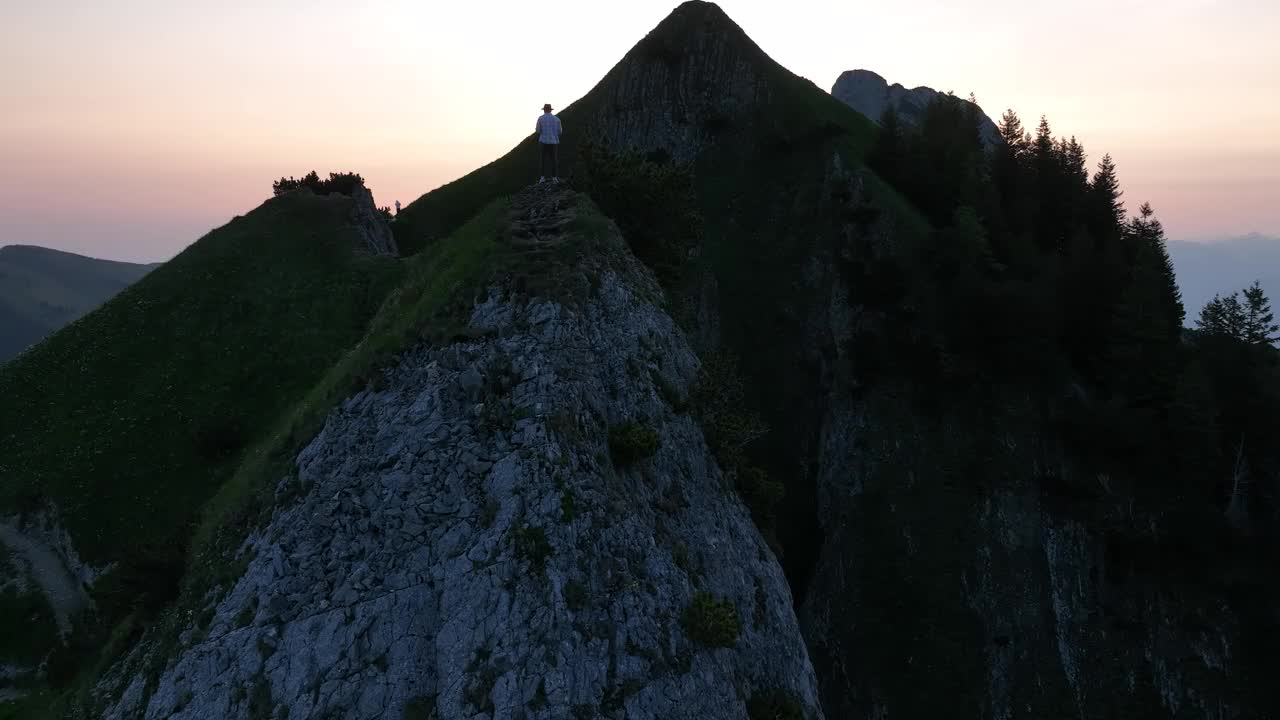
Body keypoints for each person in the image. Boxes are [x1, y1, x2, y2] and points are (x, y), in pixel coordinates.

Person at [536, 103, 563, 183]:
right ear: (550, 110)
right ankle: (554, 178)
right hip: (554, 142)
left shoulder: (540, 118)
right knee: (554, 159)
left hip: (543, 141)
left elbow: (538, 130)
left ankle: (542, 178)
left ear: (544, 110)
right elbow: (560, 132)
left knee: (543, 160)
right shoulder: (557, 119)